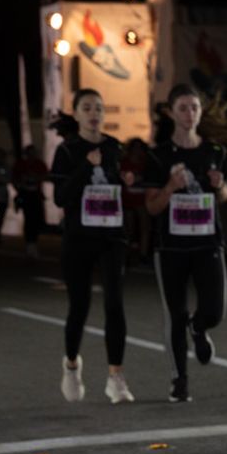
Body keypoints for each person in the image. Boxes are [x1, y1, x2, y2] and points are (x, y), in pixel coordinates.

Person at [144, 83, 227, 403]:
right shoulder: (158, 156)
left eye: (194, 107)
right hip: (170, 246)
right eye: (182, 107)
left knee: (215, 310)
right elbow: (152, 206)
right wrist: (170, 186)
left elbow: (224, 196)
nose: (189, 113)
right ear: (171, 112)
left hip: (208, 242)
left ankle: (200, 328)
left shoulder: (215, 152)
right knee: (175, 313)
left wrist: (221, 187)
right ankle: (179, 379)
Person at [50, 89, 136, 404]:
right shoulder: (67, 150)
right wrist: (86, 167)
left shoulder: (115, 147)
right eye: (87, 107)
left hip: (112, 236)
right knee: (80, 305)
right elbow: (61, 198)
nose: (94, 113)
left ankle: (116, 377)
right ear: (76, 113)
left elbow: (122, 191)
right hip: (79, 237)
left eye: (98, 108)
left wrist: (126, 182)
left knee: (115, 303)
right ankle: (71, 365)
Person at [13, 144, 49, 257]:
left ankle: (34, 242)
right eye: (30, 152)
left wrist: (37, 178)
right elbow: (14, 178)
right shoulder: (20, 164)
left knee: (36, 219)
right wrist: (21, 185)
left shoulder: (39, 164)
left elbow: (45, 175)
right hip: (25, 195)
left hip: (36, 195)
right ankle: (29, 244)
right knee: (28, 219)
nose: (32, 154)